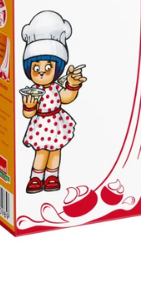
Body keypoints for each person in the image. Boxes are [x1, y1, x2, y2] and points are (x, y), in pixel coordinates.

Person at [21, 11, 86, 193]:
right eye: (36, 68)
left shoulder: (56, 87)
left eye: (48, 67)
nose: (42, 72)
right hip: (41, 125)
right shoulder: (33, 91)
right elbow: (28, 113)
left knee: (56, 151)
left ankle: (52, 176)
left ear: (57, 68)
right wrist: (29, 106)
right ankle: (36, 178)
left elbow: (66, 97)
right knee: (41, 152)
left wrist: (72, 85)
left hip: (56, 123)